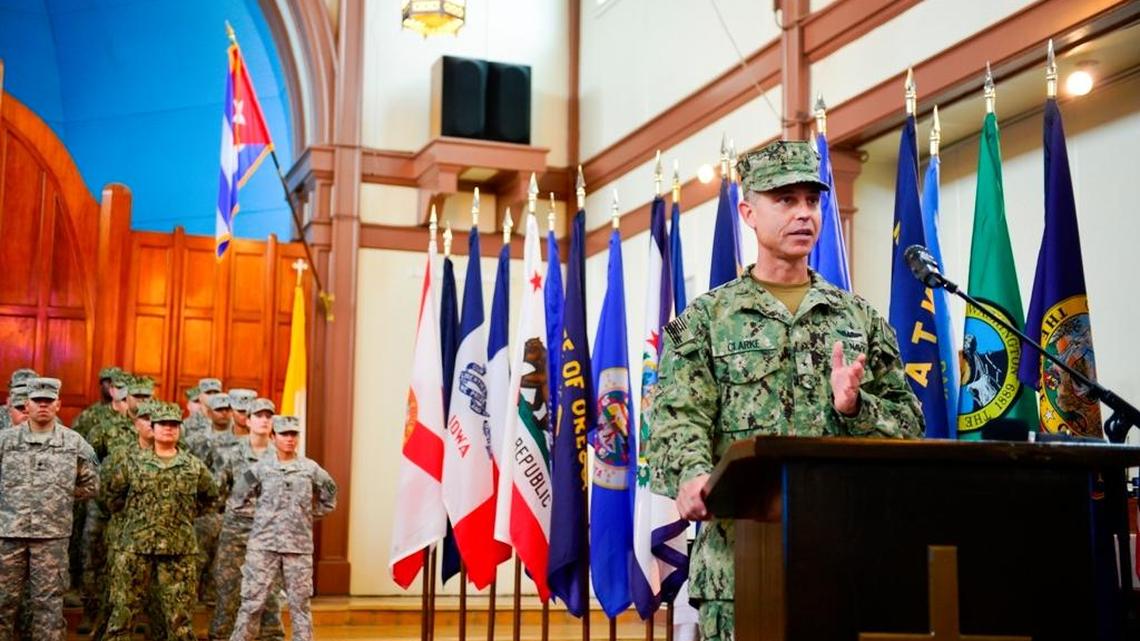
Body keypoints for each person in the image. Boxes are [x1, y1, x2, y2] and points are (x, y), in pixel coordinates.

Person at [646, 140, 923, 641]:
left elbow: (911, 426)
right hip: (739, 563)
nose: (804, 214)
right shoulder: (706, 320)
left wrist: (856, 406)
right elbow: (675, 417)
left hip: (843, 557)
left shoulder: (859, 318)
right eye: (786, 200)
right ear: (749, 212)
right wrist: (691, 475)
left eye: (812, 201)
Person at [102, 402, 219, 641]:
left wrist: (182, 516)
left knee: (180, 621)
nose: (168, 428)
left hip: (179, 549)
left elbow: (210, 497)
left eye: (174, 425)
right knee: (123, 614)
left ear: (180, 430)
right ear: (152, 429)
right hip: (136, 547)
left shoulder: (193, 467)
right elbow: (112, 496)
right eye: (163, 424)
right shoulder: (132, 463)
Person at [0, 377, 100, 641]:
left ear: (58, 404)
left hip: (52, 538)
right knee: (2, 604)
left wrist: (58, 499)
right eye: (37, 401)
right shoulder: (5, 441)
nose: (42, 406)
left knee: (49, 608)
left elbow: (91, 485)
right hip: (8, 536)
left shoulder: (75, 443)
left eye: (48, 401)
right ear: (27, 404)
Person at [229, 416, 337, 641]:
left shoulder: (310, 469)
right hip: (263, 546)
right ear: (273, 437)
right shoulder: (258, 469)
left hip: (298, 548)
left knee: (300, 606)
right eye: (284, 434)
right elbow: (237, 498)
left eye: (293, 434)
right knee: (252, 603)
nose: (289, 439)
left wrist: (305, 515)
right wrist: (262, 516)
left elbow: (329, 496)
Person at [208, 398, 285, 641]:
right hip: (235, 537)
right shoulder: (232, 455)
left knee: (269, 595)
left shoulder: (284, 457)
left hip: (268, 537)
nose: (263, 420)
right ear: (247, 420)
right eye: (258, 415)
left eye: (268, 416)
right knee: (229, 594)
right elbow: (216, 492)